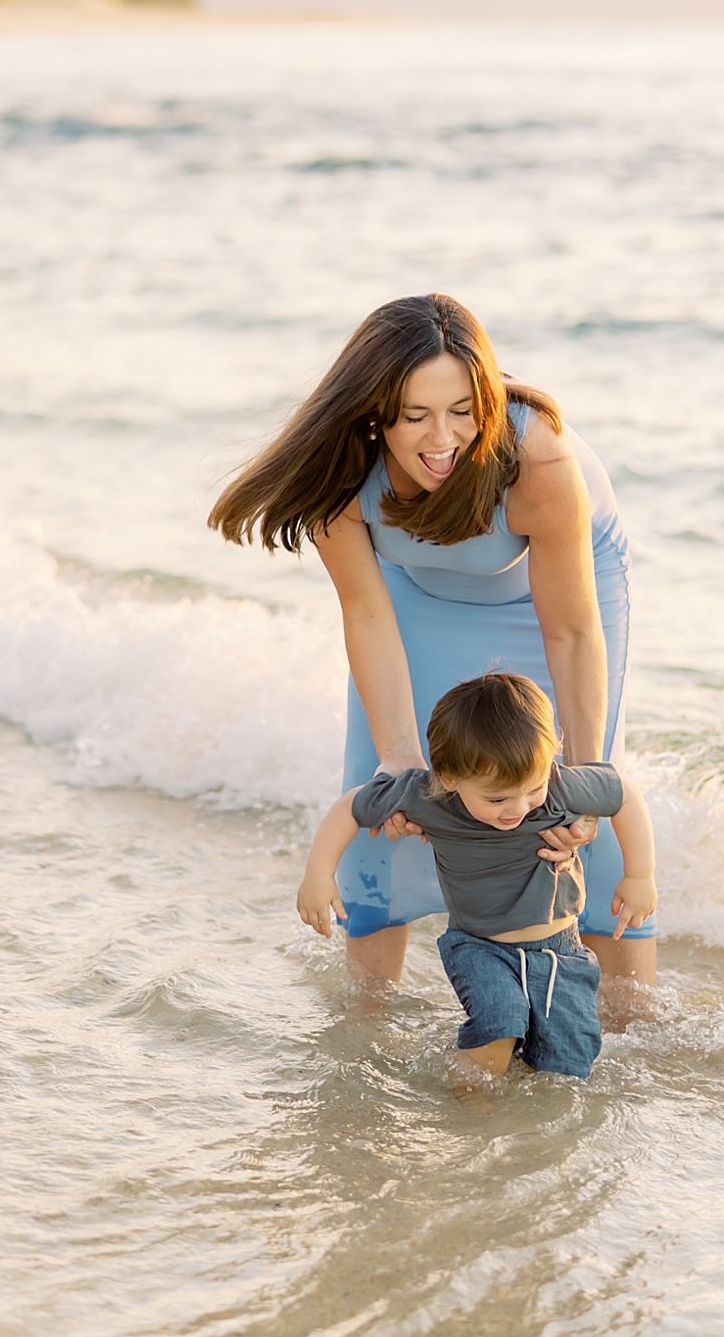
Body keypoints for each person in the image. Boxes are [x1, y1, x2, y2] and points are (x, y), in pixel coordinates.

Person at [209, 292, 656, 985]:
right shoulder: (340, 471)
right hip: (413, 593)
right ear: (374, 414)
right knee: (384, 795)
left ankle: (632, 1019)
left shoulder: (539, 460)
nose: (442, 439)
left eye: (462, 411)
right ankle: (364, 1023)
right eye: (415, 417)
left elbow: (569, 631)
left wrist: (579, 783)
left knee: (569, 803)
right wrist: (397, 760)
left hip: (559, 595)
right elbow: (366, 613)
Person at [299, 672, 657, 1079]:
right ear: (449, 778)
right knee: (498, 1026)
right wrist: (318, 873)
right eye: (497, 798)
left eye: (532, 789)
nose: (518, 807)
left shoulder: (559, 784)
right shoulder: (427, 795)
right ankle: (469, 1106)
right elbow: (351, 806)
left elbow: (624, 795)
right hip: (479, 946)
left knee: (567, 1065)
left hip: (561, 951)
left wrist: (640, 874)